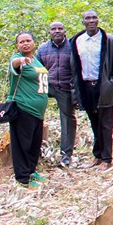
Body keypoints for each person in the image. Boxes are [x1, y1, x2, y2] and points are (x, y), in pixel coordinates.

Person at [71, 10, 113, 170]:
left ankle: (107, 159)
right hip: (85, 87)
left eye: (94, 17)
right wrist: (75, 91)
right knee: (94, 123)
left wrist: (112, 84)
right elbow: (73, 67)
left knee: (106, 124)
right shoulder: (77, 41)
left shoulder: (109, 41)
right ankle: (97, 155)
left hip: (103, 87)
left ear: (98, 20)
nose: (91, 21)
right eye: (87, 18)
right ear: (83, 22)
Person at [8, 32, 49, 188]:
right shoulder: (17, 59)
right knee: (22, 144)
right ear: (17, 45)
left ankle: (32, 171)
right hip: (23, 108)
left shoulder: (36, 60)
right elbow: (14, 64)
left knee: (34, 143)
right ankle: (23, 177)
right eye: (21, 42)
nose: (25, 44)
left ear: (34, 42)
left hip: (38, 111)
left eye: (28, 40)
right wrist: (20, 60)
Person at [36, 20, 75, 168]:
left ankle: (66, 155)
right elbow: (39, 69)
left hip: (65, 87)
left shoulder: (72, 47)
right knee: (35, 115)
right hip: (47, 85)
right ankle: (36, 150)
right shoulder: (43, 49)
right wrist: (41, 91)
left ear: (65, 31)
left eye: (60, 28)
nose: (57, 31)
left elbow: (76, 70)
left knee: (67, 119)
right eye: (53, 29)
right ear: (49, 32)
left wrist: (74, 91)